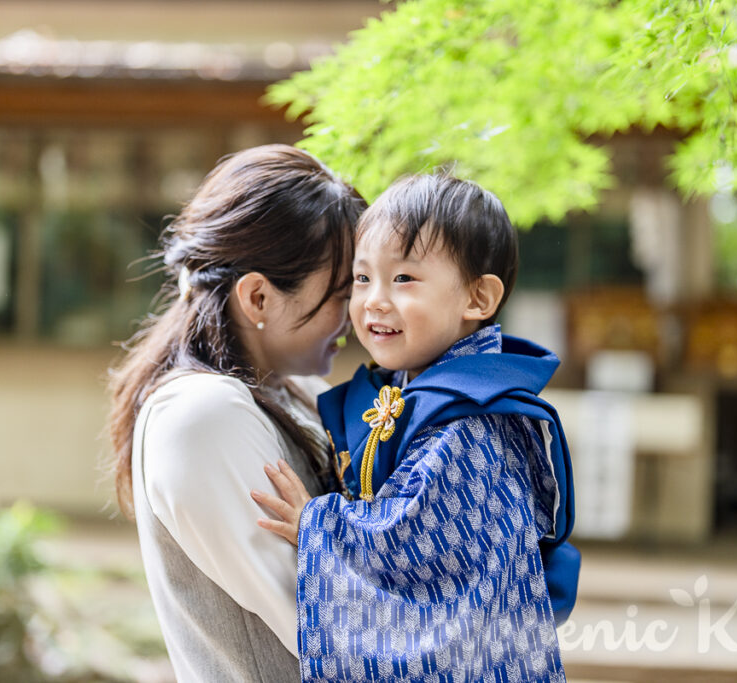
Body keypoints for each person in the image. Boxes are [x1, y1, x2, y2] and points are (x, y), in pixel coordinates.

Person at [254, 173, 579, 682]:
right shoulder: (408, 386)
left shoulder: (474, 423)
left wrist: (318, 526)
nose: (374, 300)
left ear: (478, 298)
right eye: (362, 279)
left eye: (403, 279)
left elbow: (417, 538)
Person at [107, 144, 365, 681]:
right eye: (342, 294)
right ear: (258, 298)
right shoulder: (204, 416)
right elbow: (327, 627)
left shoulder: (288, 389)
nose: (358, 315)